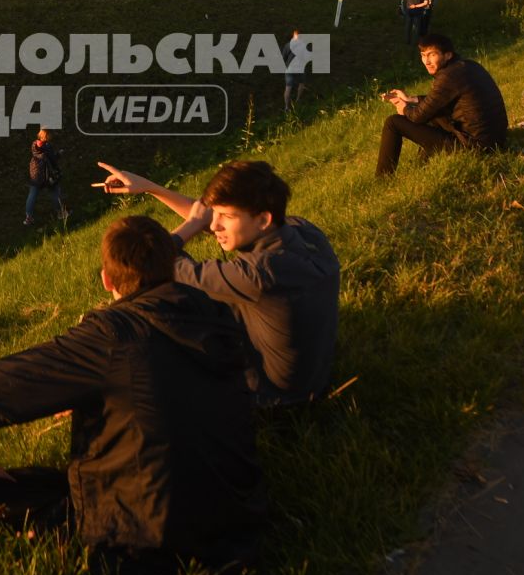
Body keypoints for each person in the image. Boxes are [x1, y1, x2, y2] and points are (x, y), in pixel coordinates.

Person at [0, 215, 266, 575]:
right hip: (238, 521)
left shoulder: (113, 335)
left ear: (107, 279)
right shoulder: (217, 313)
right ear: (173, 268)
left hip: (149, 547)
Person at [92, 159, 339, 407]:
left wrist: (190, 226)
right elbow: (208, 218)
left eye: (226, 216)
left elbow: (153, 264)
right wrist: (150, 187)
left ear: (263, 220)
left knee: (158, 292)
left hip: (273, 396)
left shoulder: (258, 275)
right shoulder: (304, 232)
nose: (213, 224)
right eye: (215, 213)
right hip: (311, 376)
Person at [375, 32, 509, 177]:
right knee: (434, 114)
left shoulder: (448, 76)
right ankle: (422, 167)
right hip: (496, 140)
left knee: (393, 122)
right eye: (423, 55)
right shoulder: (468, 66)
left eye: (432, 55)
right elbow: (440, 100)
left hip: (476, 148)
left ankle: (383, 179)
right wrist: (410, 99)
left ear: (447, 55)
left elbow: (417, 117)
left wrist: (404, 108)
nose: (426, 61)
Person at [23, 127, 69, 226]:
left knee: (33, 194)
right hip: (48, 175)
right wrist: (59, 154)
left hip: (36, 174)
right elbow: (52, 158)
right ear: (47, 136)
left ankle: (29, 217)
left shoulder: (36, 144)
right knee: (55, 192)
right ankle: (60, 213)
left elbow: (38, 149)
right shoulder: (43, 145)